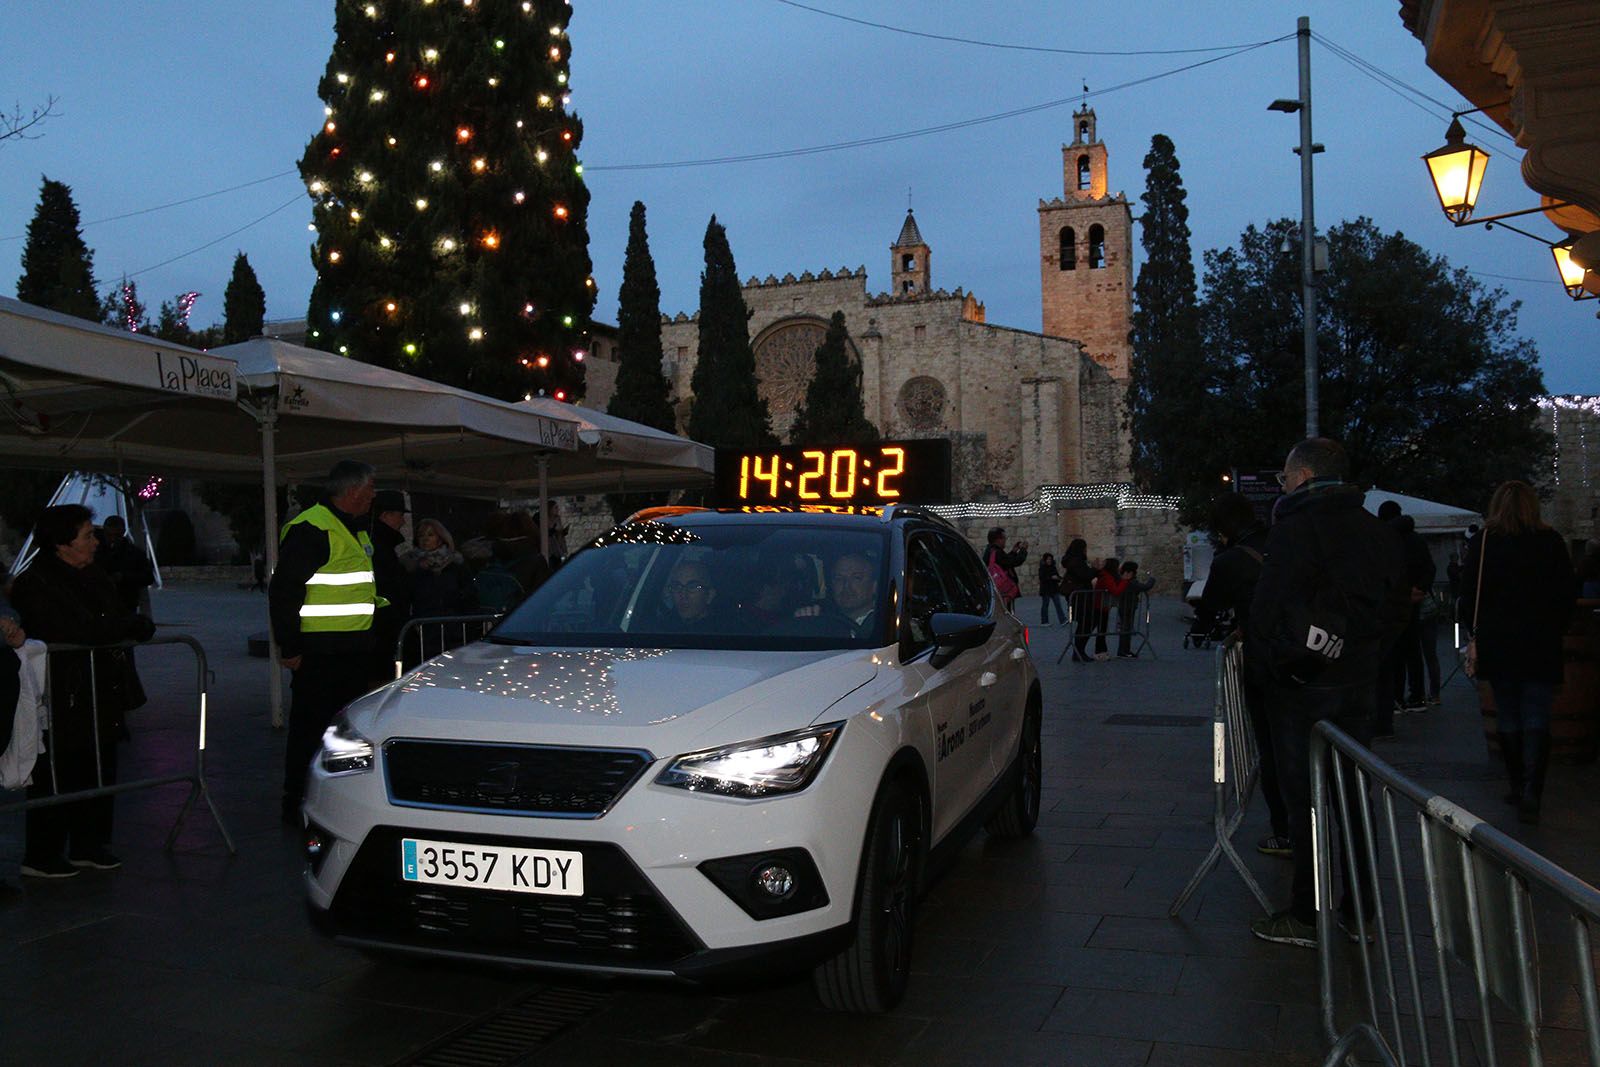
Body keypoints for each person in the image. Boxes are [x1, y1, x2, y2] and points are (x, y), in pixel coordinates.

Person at [1249, 438, 1408, 948]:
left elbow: (1268, 612)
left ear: (1303, 477)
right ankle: (1360, 911)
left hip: (1302, 688)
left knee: (1307, 804)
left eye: (1285, 477)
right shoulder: (1374, 530)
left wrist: (1276, 666)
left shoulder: (1296, 529)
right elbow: (1397, 603)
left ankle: (1307, 914)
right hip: (1358, 682)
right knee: (1354, 801)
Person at [10, 504, 156, 877]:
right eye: (87, 535)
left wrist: (127, 624)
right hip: (62, 693)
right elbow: (67, 629)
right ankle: (43, 852)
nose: (95, 542)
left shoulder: (94, 576)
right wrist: (122, 628)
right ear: (62, 543)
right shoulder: (35, 583)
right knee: (59, 769)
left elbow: (112, 616)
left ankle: (90, 843)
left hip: (99, 689)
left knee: (100, 763)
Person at [269, 460, 381, 826]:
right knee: (310, 728)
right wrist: (291, 648)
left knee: (346, 729)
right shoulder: (313, 528)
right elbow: (285, 591)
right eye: (370, 489)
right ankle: (296, 799)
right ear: (353, 491)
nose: (373, 496)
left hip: (351, 650)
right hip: (320, 653)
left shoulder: (354, 529)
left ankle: (339, 798)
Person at [1459, 481, 1576, 825]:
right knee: (1538, 714)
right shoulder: (1550, 542)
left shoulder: (1484, 543)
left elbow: (1468, 596)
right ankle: (1533, 791)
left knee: (1508, 713)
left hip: (1498, 642)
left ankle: (1516, 783)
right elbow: (1565, 594)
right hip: (1540, 641)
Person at [1197, 492, 1290, 857]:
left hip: (1265, 662)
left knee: (1270, 747)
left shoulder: (1230, 560)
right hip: (1307, 657)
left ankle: (1285, 829)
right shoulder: (1280, 543)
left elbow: (1208, 611)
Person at [369, 489, 413, 684]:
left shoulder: (380, 542)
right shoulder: (381, 546)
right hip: (385, 626)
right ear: (385, 515)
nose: (402, 522)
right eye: (399, 516)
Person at [794, 552, 881, 641]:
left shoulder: (882, 627)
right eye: (839, 578)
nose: (846, 586)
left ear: (874, 586)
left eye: (856, 578)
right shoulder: (824, 620)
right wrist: (804, 624)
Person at [404, 519, 476, 618]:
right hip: (422, 624)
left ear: (441, 538)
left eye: (430, 535)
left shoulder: (455, 564)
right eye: (421, 535)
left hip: (453, 623)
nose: (425, 539)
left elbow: (469, 594)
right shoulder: (410, 564)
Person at [96, 514, 155, 613]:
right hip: (104, 602)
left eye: (116, 535)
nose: (112, 539)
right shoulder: (96, 552)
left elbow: (147, 577)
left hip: (125, 602)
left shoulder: (133, 553)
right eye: (109, 535)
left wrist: (124, 577)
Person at [1061, 538, 1098, 662]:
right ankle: (1079, 651)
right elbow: (1085, 575)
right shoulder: (1076, 562)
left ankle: (1079, 651)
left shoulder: (1073, 561)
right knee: (1087, 623)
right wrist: (1096, 569)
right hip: (1080, 598)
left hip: (1080, 597)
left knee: (1086, 623)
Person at [659, 560, 722, 633]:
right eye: (677, 586)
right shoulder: (659, 629)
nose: (683, 594)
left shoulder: (722, 633)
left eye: (692, 587)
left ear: (710, 595)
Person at [1089, 557, 1127, 661]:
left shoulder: (1105, 575)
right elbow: (1115, 591)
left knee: (1101, 630)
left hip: (1103, 606)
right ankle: (1098, 651)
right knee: (1096, 629)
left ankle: (1101, 651)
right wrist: (1124, 581)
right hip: (1100, 606)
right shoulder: (1106, 577)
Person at [1115, 561, 1155, 658]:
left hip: (1124, 606)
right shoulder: (1131, 582)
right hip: (1128, 607)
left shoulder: (1123, 580)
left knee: (1126, 629)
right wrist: (1152, 579)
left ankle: (1124, 650)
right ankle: (1124, 651)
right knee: (1126, 629)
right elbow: (1145, 587)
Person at [1038, 552, 1067, 627]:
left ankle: (1063, 620)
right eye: (1048, 559)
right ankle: (1044, 621)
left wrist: (1059, 578)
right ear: (1045, 560)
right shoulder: (1042, 568)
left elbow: (1056, 576)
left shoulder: (1053, 567)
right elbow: (1042, 578)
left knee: (1058, 605)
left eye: (1050, 559)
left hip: (1054, 589)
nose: (1049, 560)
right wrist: (1051, 577)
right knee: (1045, 605)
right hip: (1046, 590)